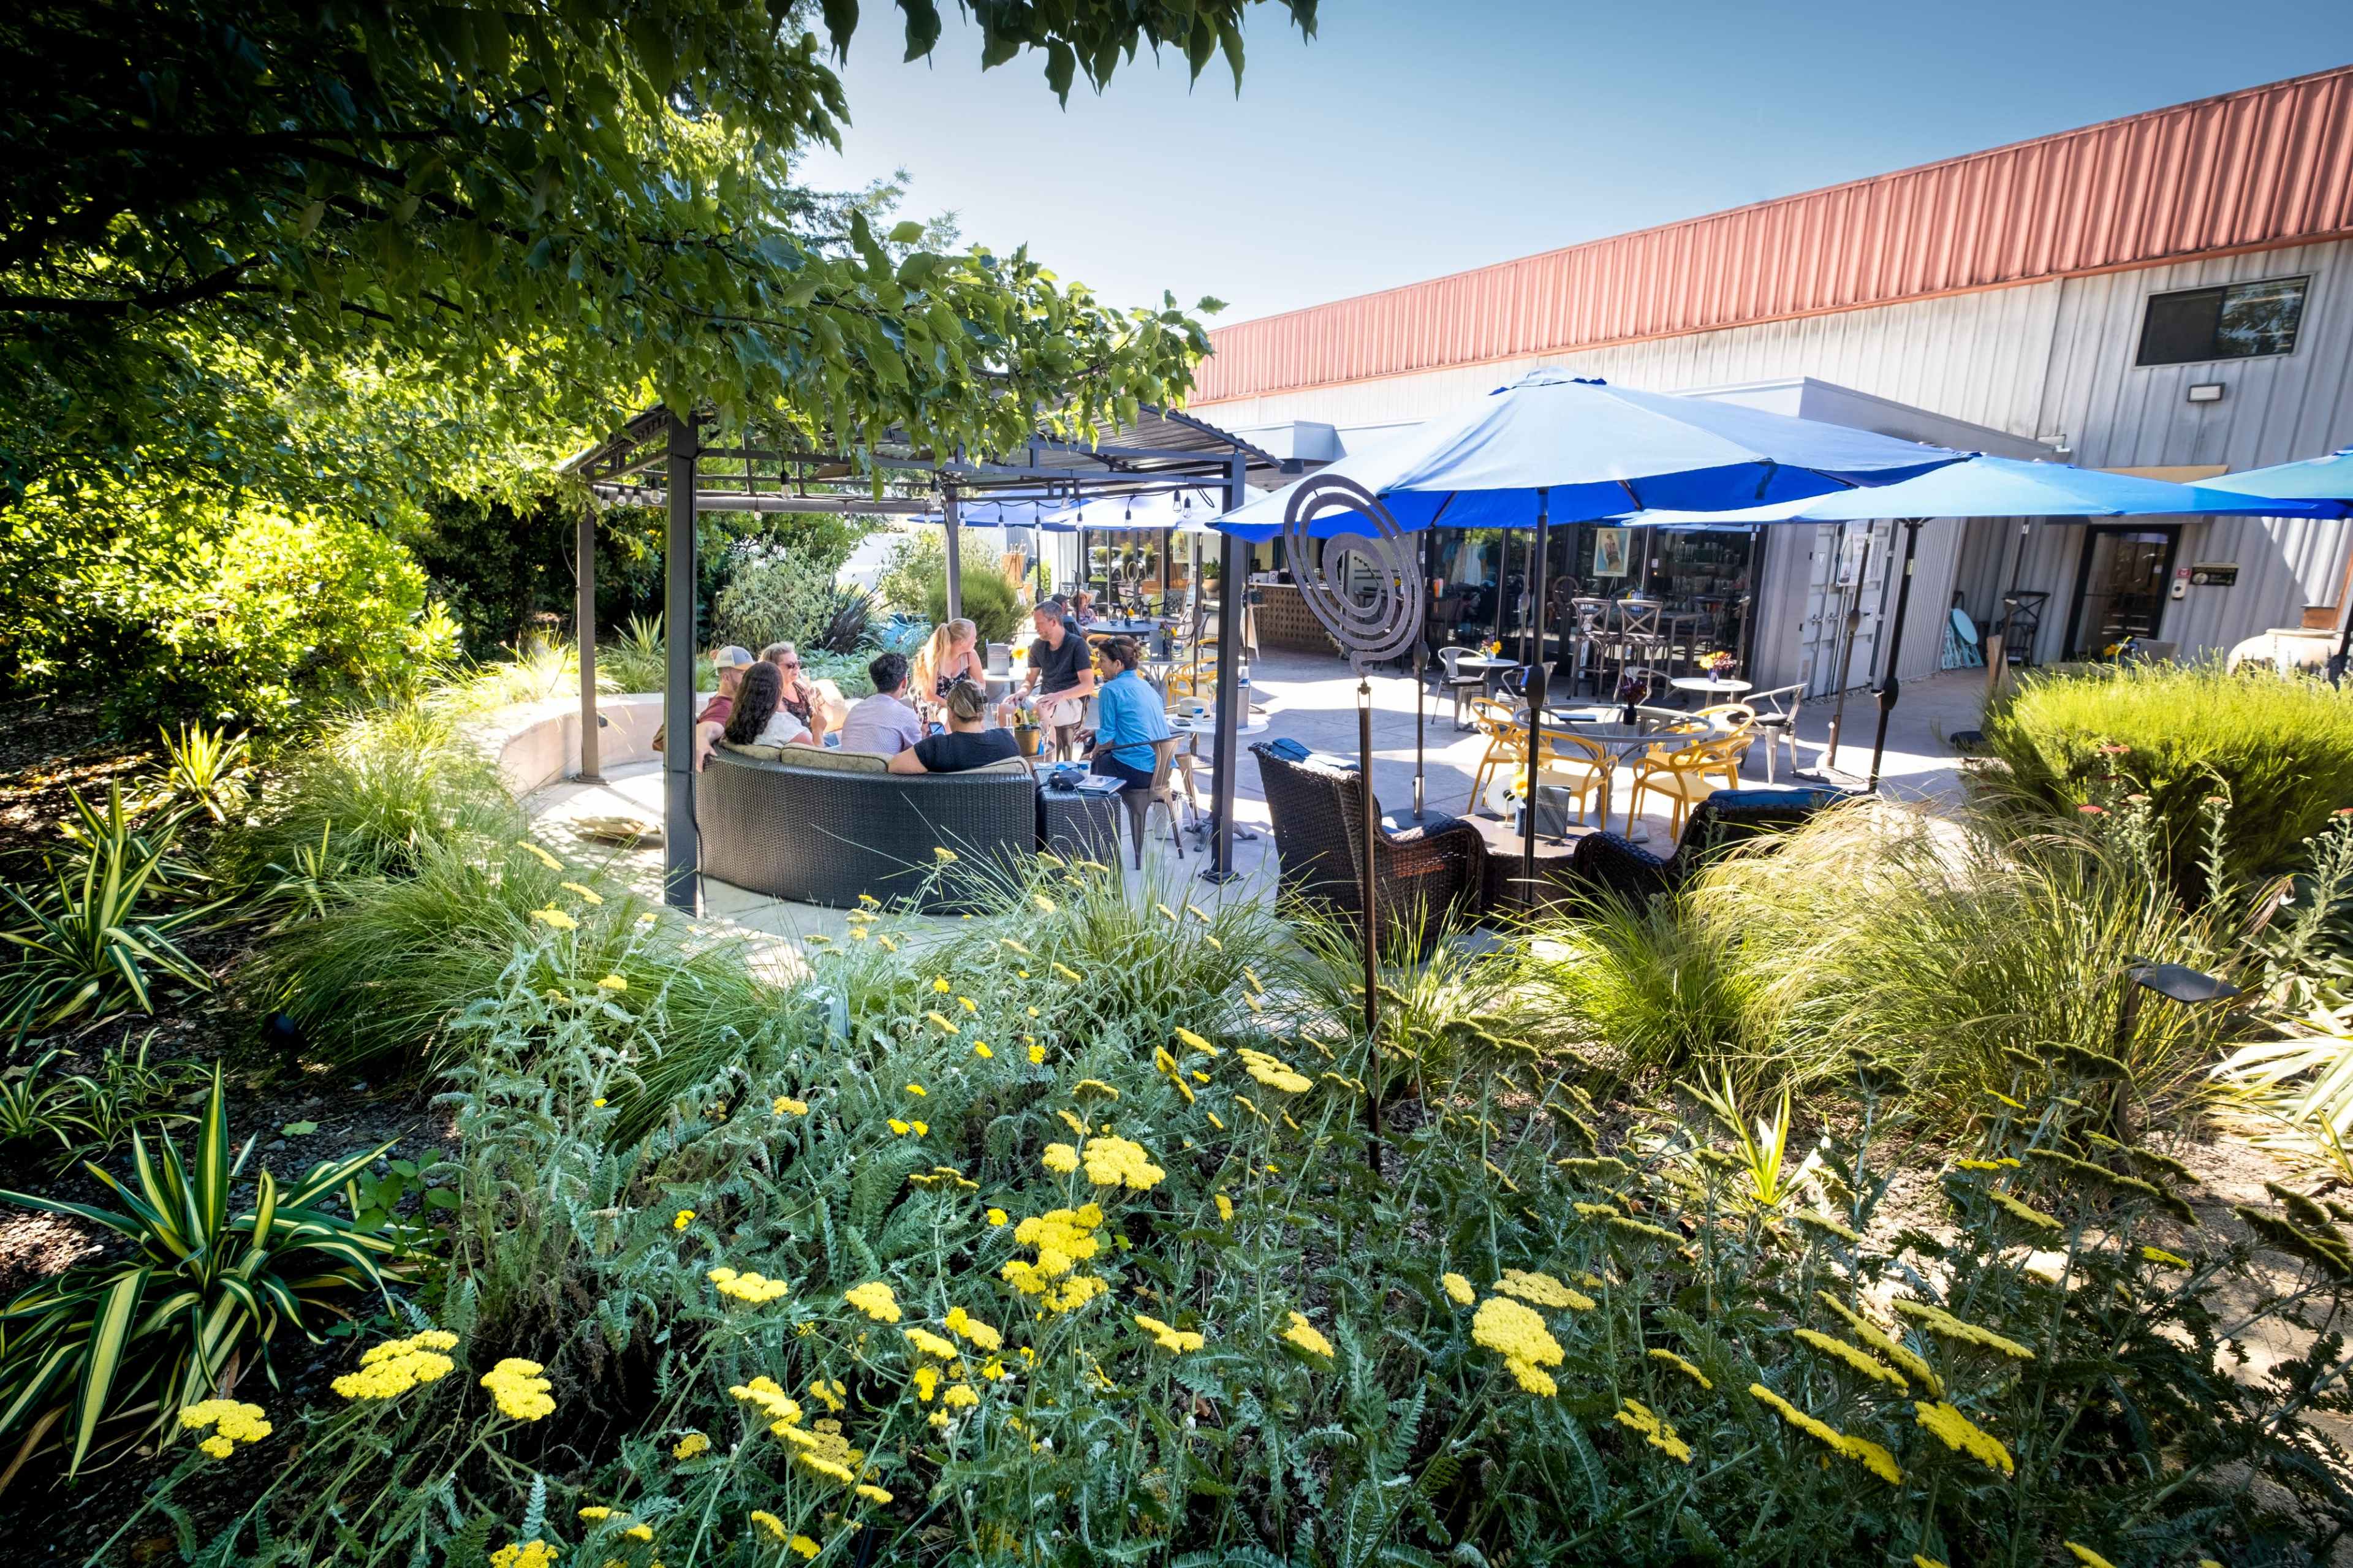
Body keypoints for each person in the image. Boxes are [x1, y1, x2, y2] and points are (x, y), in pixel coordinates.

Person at [1087, 635, 1173, 792]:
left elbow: (1107, 740)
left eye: (1103, 660)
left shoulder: (1110, 690)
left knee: (1086, 769)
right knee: (1094, 741)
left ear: (1118, 664)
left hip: (1137, 771)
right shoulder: (1146, 686)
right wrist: (1095, 733)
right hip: (1163, 770)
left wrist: (1090, 756)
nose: (1098, 665)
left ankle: (1094, 807)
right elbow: (1138, 724)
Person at [1018, 601, 1097, 762]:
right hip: (1046, 699)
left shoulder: (1076, 644)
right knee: (1007, 707)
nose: (1036, 628)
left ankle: (1047, 763)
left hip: (1072, 702)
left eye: (1039, 623)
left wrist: (1059, 696)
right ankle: (1018, 759)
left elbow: (1088, 686)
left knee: (1042, 708)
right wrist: (1021, 692)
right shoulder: (1038, 645)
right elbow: (1030, 679)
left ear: (1054, 622)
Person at [889, 678, 1018, 774]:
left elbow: (894, 765)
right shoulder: (1006, 740)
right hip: (998, 804)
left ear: (951, 713)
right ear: (983, 711)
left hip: (947, 804)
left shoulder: (936, 748)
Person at [836, 651, 925, 756]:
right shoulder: (906, 715)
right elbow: (918, 756)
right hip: (881, 768)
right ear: (904, 682)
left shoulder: (856, 710)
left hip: (847, 766)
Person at [719, 661, 813, 754]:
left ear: (744, 688)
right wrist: (817, 729)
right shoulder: (783, 725)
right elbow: (816, 755)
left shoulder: (735, 721)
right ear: (778, 691)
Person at [688, 645, 756, 771]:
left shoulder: (736, 700)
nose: (750, 679)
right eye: (744, 674)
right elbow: (709, 727)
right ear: (726, 678)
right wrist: (700, 739)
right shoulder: (723, 707)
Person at [759, 641, 829, 744]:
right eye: (791, 665)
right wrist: (818, 729)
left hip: (816, 739)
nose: (797, 668)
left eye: (798, 663)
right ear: (773, 668)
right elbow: (811, 749)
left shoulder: (799, 686)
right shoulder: (775, 701)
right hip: (807, 747)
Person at [911, 618, 987, 707]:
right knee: (947, 716)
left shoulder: (970, 656)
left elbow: (981, 683)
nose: (976, 641)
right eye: (974, 637)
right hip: (933, 705)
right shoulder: (935, 658)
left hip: (959, 706)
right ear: (962, 642)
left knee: (977, 713)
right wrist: (955, 708)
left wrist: (972, 696)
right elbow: (929, 696)